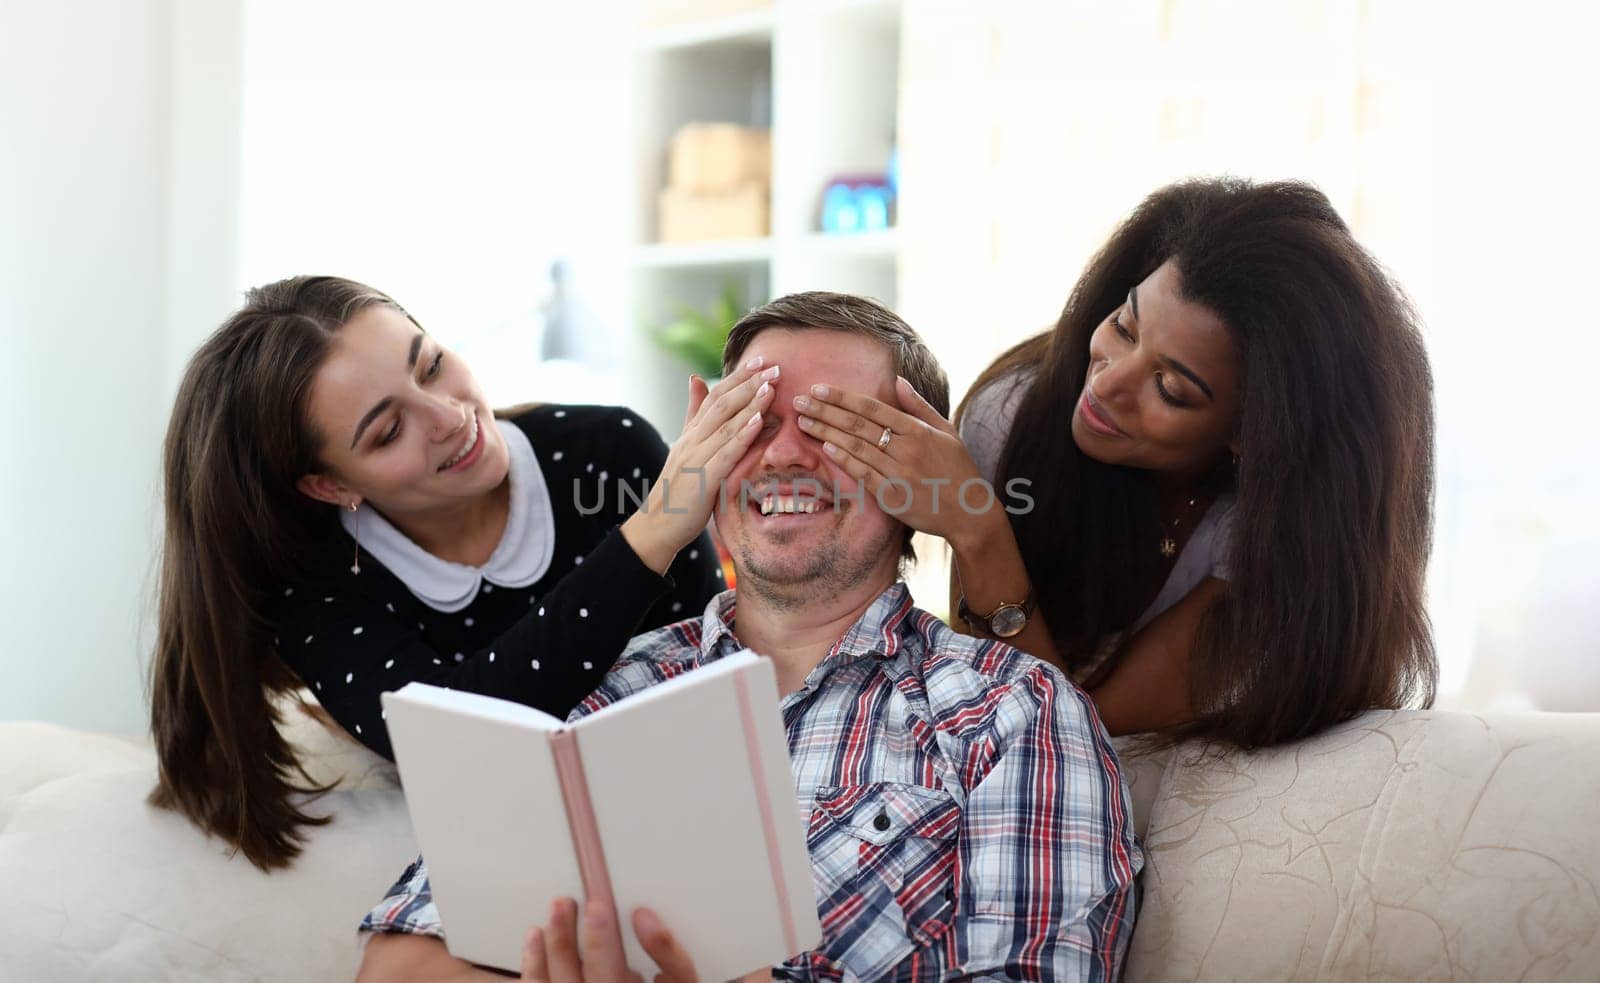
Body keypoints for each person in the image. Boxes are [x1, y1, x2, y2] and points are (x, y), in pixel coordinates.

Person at [355, 292, 1141, 981]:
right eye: (753, 421)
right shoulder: (597, 691)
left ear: (917, 475)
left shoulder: (1014, 714)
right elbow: (398, 963)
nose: (788, 454)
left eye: (837, 428)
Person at [149, 275, 774, 869]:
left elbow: (710, 681)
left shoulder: (607, 451)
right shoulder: (315, 584)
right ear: (331, 484)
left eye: (432, 365)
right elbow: (458, 735)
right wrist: (654, 530)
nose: (449, 417)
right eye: (389, 430)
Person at [792, 178, 1437, 747]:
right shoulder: (1011, 417)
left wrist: (978, 528)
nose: (1106, 384)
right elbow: (984, 705)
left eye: (1171, 389)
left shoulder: (1265, 534)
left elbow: (1069, 729)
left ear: (1253, 435)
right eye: (1125, 327)